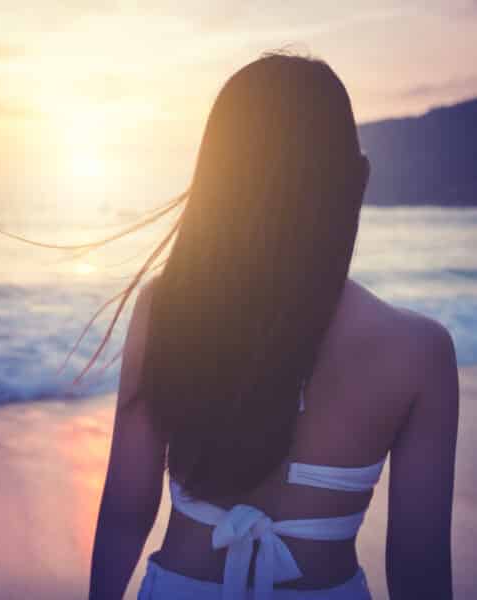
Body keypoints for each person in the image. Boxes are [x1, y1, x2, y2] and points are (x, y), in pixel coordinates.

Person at [87, 53, 459, 600]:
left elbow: (125, 509)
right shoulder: (419, 351)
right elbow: (419, 569)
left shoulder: (168, 308)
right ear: (354, 180)